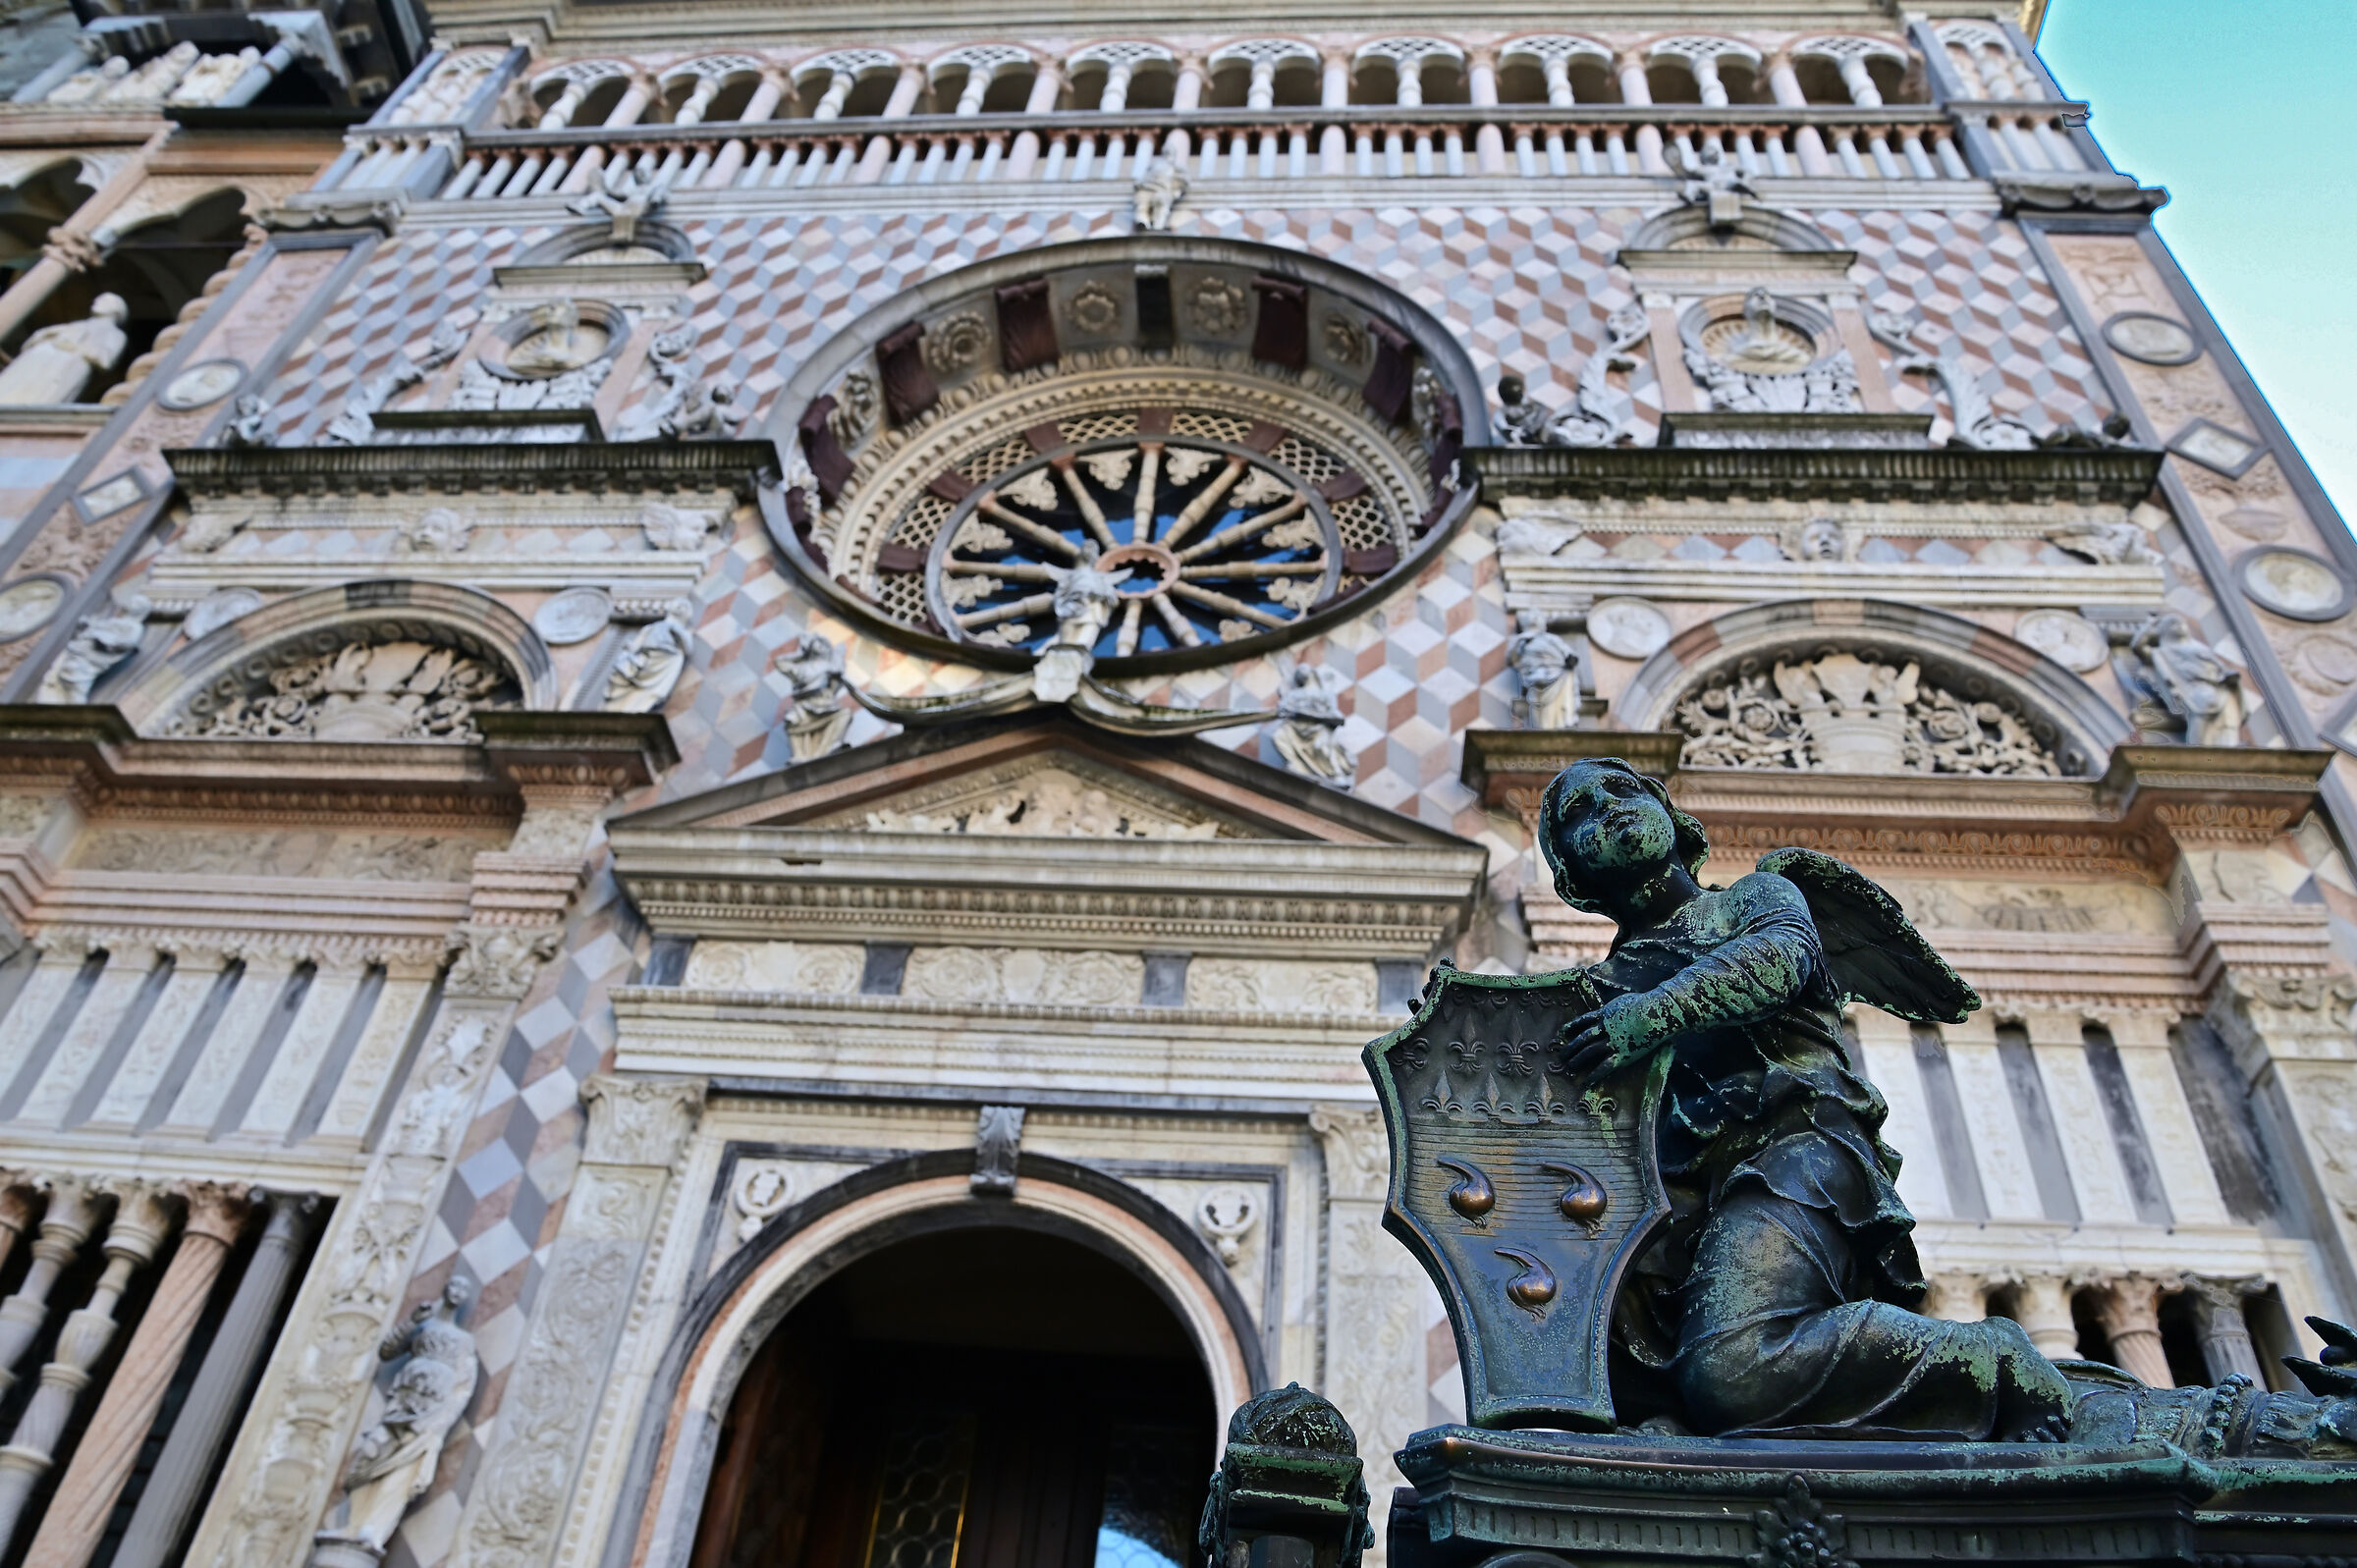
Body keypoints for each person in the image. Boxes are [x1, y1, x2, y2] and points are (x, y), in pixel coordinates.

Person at [1537, 757, 2073, 1440]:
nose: (1608, 808)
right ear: (1572, 878)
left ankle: (1991, 1363)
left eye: (1623, 789)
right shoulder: (1600, 989)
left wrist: (1649, 1015)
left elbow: (1778, 962)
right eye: (1579, 812)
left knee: (1733, 1366)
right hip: (1683, 1204)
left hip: (1796, 1150)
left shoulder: (1753, 899)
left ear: (1671, 816)